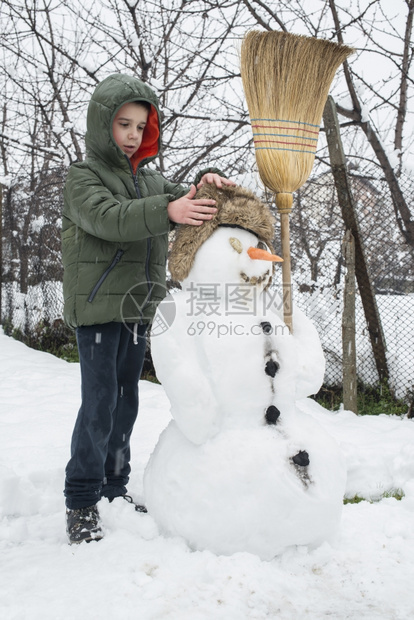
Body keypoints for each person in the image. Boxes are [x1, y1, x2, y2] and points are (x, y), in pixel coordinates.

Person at [62, 73, 235, 544]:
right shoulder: (83, 177)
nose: (134, 135)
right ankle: (81, 499)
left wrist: (206, 185)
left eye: (141, 126)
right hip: (99, 308)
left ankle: (114, 488)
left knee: (127, 404)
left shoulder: (152, 180)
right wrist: (169, 210)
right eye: (124, 124)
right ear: (103, 125)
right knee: (99, 405)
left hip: (140, 308)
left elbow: (184, 199)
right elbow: (108, 217)